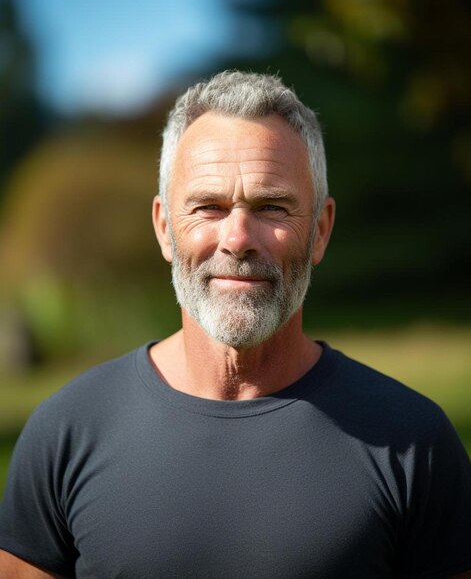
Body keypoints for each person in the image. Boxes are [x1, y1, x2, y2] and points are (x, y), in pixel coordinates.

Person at [0, 71, 469, 578]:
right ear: (164, 228)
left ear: (320, 231)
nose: (238, 238)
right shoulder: (66, 433)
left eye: (272, 206)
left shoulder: (413, 441)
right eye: (209, 207)